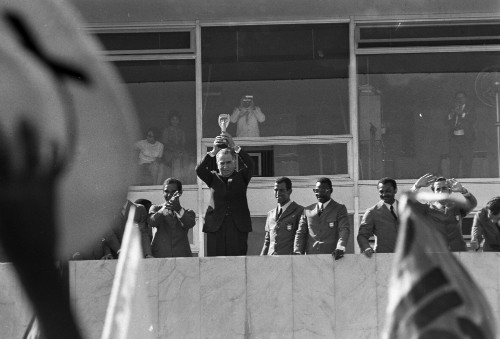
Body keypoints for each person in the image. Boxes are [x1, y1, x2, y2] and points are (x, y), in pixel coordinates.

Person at [196, 132, 253, 256]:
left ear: (234, 162)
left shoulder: (241, 177)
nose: (225, 166)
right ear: (217, 164)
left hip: (237, 227)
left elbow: (251, 164)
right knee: (216, 264)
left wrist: (234, 147)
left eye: (228, 162)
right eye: (222, 163)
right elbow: (199, 170)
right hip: (216, 227)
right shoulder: (212, 177)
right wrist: (213, 152)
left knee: (238, 263)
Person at [411, 173, 477, 251]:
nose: (441, 191)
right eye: (438, 189)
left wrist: (463, 190)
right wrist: (416, 186)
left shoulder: (457, 207)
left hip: (457, 252)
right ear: (434, 192)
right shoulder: (427, 208)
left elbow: (472, 203)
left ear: (449, 191)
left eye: (444, 188)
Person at [293, 177, 351, 259]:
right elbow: (301, 233)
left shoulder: (339, 209)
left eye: (323, 190)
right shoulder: (307, 210)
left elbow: (344, 229)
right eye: (316, 190)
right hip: (311, 258)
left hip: (332, 258)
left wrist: (340, 247)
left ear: (331, 190)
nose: (319, 193)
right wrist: (297, 251)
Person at [148, 178, 196, 257]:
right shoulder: (155, 208)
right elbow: (152, 222)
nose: (169, 195)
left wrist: (178, 209)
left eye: (173, 192)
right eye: (166, 191)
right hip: (160, 258)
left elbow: (189, 223)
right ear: (163, 192)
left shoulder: (188, 213)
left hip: (182, 258)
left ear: (180, 193)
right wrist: (165, 208)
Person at [261, 177, 304, 255]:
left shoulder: (299, 211)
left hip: (289, 260)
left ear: (289, 191)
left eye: (281, 190)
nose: (278, 193)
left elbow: (301, 237)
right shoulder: (270, 214)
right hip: (271, 260)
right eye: (276, 190)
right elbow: (267, 241)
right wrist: (261, 260)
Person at [357, 177, 399, 258]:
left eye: (388, 191)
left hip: (406, 259)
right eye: (381, 191)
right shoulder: (372, 212)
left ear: (395, 190)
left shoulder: (406, 208)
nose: (384, 194)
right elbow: (362, 235)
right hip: (383, 258)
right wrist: (366, 247)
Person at [446, 91, 476, 178]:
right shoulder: (452, 108)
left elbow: (473, 120)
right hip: (454, 138)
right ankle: (453, 180)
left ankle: (467, 180)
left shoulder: (471, 108)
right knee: (454, 162)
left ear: (465, 99)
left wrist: (461, 114)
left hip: (466, 139)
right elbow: (445, 121)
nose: (459, 99)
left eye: (462, 97)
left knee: (466, 161)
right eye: (458, 97)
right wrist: (451, 114)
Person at [161, 113, 191, 183]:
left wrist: (180, 151)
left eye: (176, 119)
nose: (174, 121)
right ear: (170, 120)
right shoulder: (166, 130)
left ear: (179, 121)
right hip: (169, 152)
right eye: (173, 119)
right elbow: (165, 144)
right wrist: (174, 150)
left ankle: (185, 180)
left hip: (179, 151)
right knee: (177, 158)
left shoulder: (181, 131)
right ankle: (176, 181)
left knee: (186, 156)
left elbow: (183, 144)